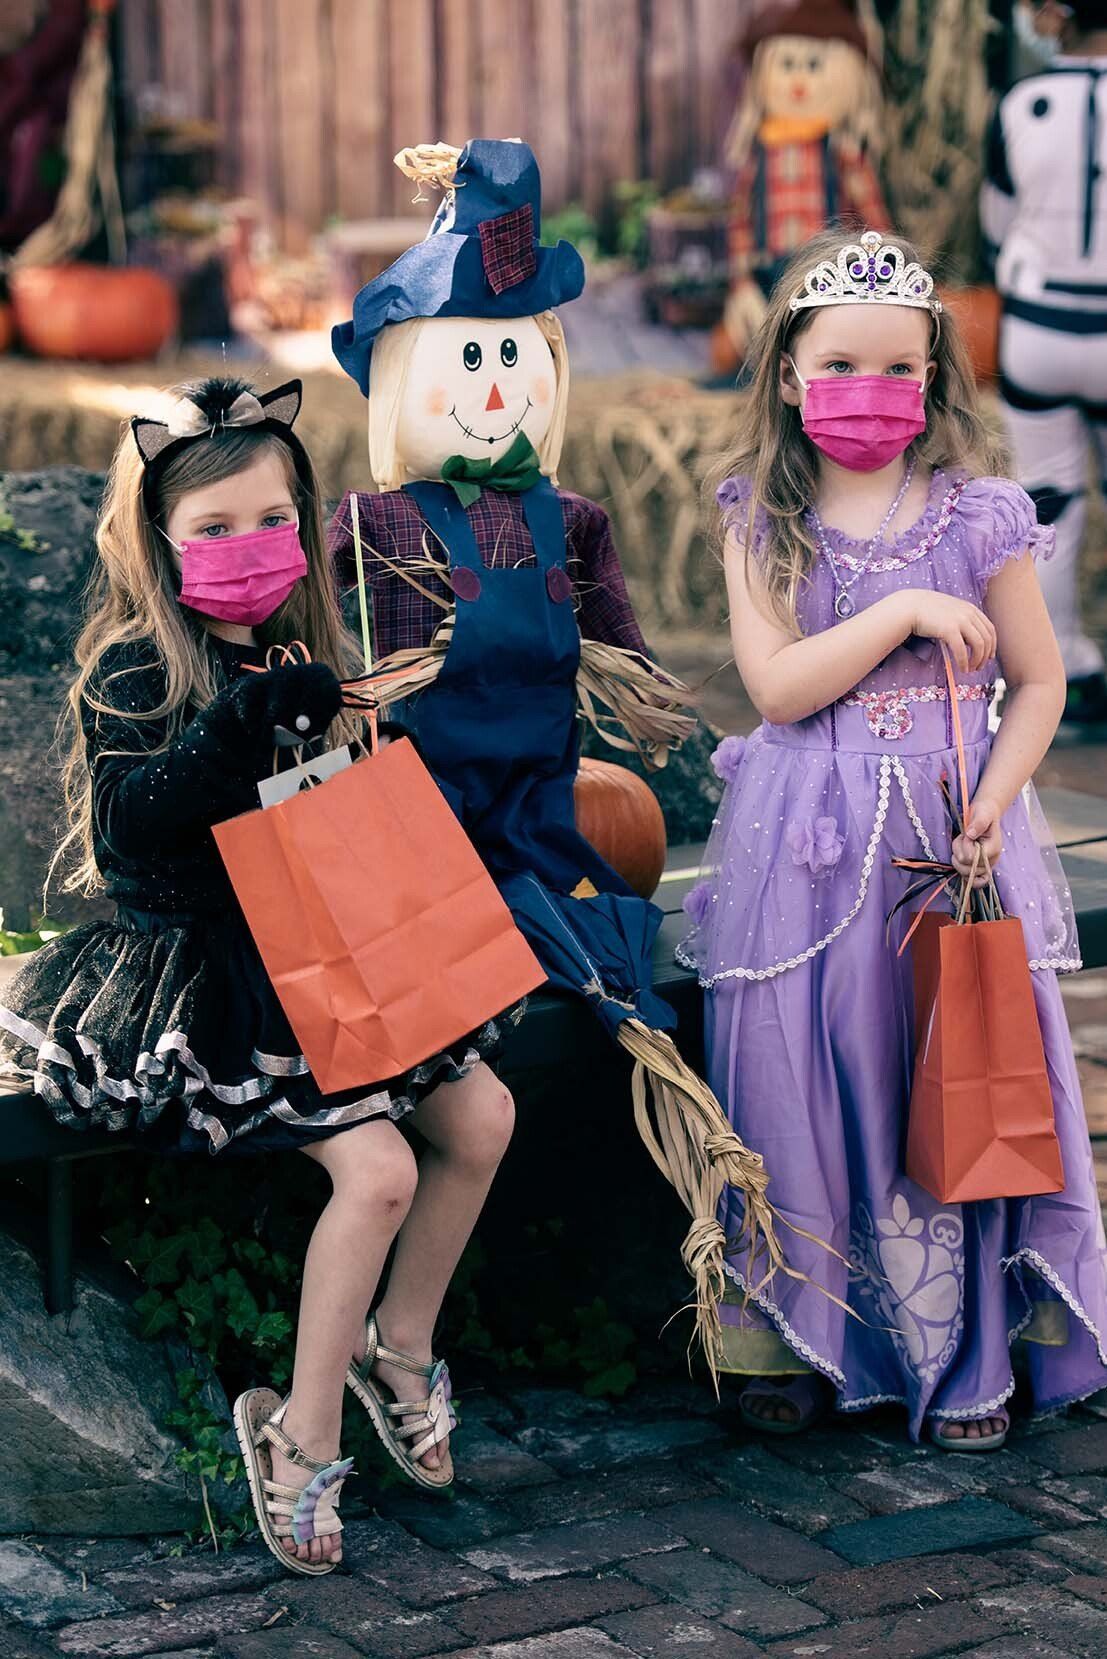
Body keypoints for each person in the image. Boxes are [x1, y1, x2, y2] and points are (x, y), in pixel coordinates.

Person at [0, 376, 517, 1572]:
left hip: (328, 944)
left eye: (271, 521)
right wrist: (234, 728)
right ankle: (299, 1429)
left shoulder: (308, 648)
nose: (248, 548)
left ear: (306, 521)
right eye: (214, 529)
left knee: (484, 1111)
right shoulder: (138, 669)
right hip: (212, 975)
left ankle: (399, 1344)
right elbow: (131, 830)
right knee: (379, 1166)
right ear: (161, 543)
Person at [680, 228, 1107, 1447]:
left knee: (953, 1069)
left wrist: (1000, 795)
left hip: (949, 846)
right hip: (804, 850)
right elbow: (776, 687)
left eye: (898, 369)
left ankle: (971, 1353)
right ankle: (805, 1337)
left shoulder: (980, 515)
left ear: (933, 377)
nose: (873, 392)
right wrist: (908, 613)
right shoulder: (765, 517)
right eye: (842, 364)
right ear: (787, 372)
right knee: (813, 1070)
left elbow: (1036, 685)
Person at [981, 0, 1107, 723]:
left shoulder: (1020, 101)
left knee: (1047, 498)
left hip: (1037, 329)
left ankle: (1063, 659)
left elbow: (997, 225)